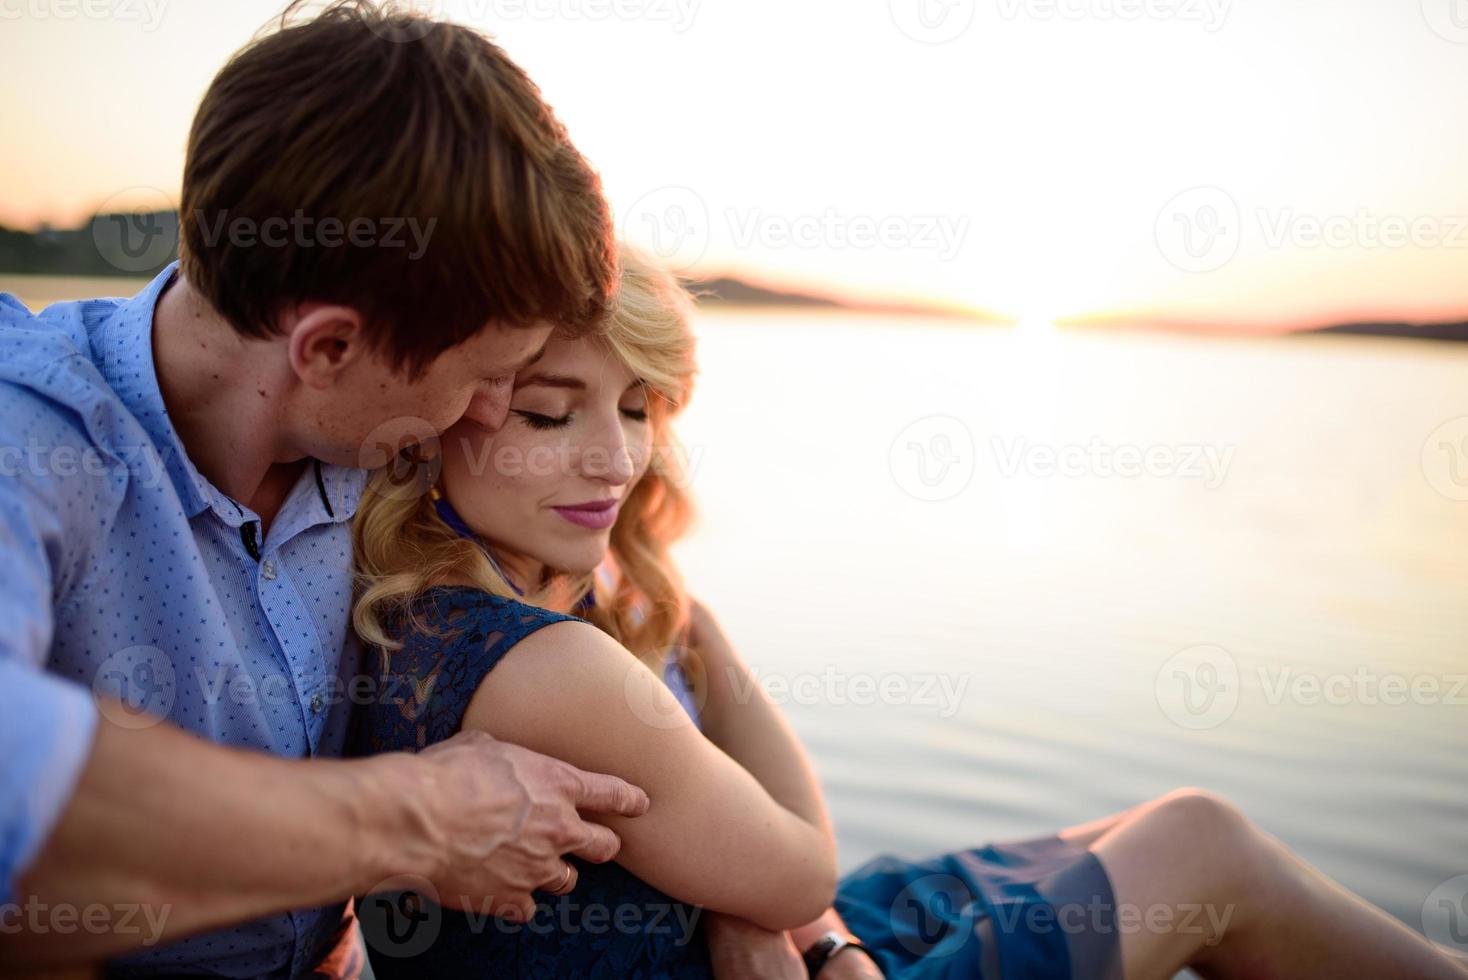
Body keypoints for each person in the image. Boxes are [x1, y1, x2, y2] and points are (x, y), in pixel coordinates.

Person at [353, 245, 1468, 979]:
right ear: (446, 412)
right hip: (772, 939)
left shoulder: (435, 605)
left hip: (803, 939)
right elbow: (795, 868)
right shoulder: (549, 664)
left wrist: (787, 921)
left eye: (640, 407)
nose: (616, 456)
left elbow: (775, 887)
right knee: (1201, 843)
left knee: (1134, 835)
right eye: (551, 414)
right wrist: (703, 637)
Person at [0, 4, 652, 977]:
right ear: (329, 347)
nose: (491, 414)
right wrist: (422, 816)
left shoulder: (389, 424)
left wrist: (763, 910)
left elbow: (626, 587)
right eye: (485, 375)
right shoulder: (30, 435)